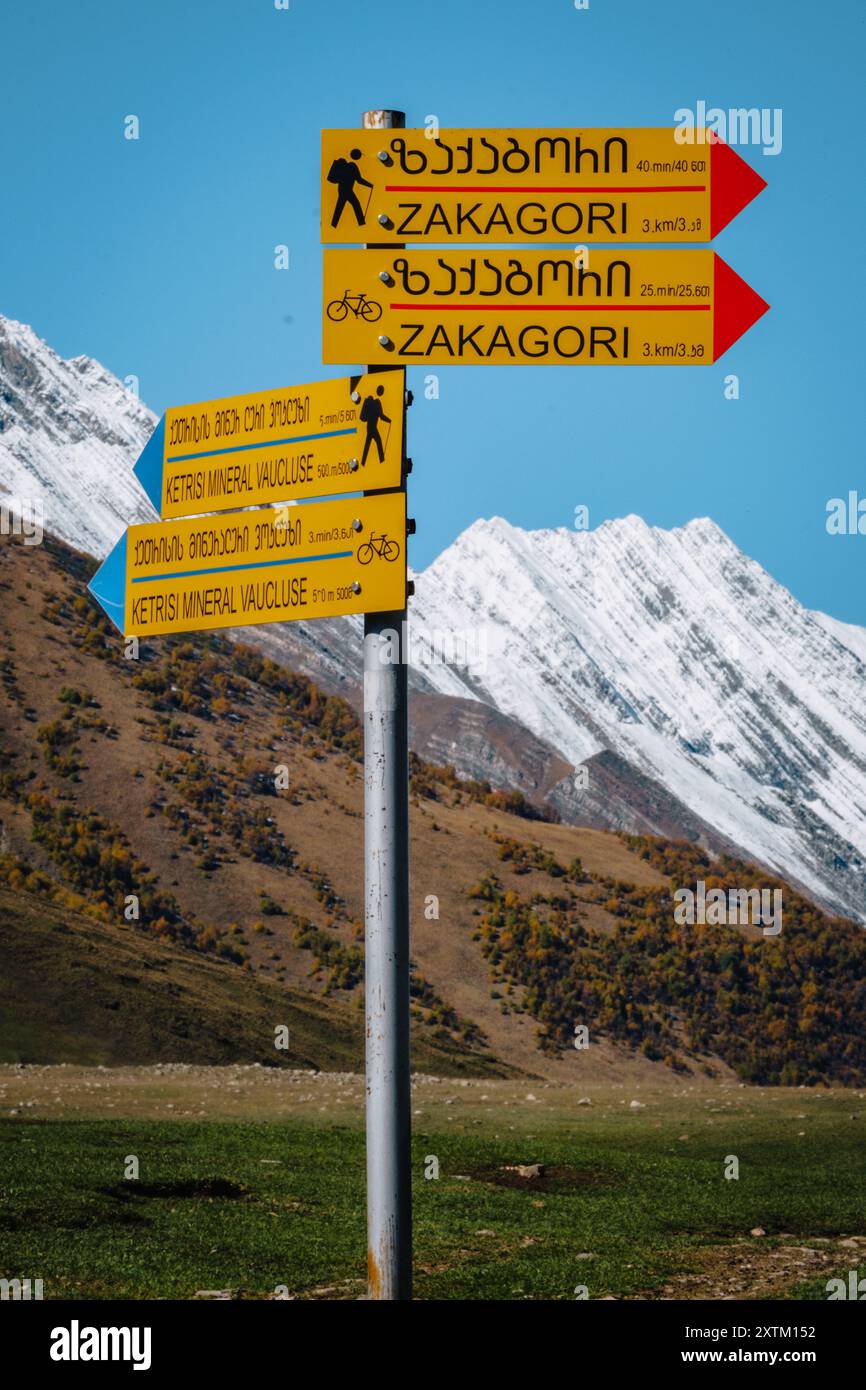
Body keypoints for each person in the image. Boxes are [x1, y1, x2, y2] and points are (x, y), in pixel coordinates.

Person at [328, 148, 373, 229]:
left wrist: (369, 185)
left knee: (340, 206)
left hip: (341, 189)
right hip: (347, 190)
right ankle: (361, 223)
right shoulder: (352, 166)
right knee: (355, 204)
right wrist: (369, 185)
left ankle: (333, 225)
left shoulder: (346, 166)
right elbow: (359, 180)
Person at [360, 385, 390, 465]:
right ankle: (382, 461)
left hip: (369, 427)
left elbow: (380, 416)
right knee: (378, 443)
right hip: (373, 428)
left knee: (368, 445)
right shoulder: (377, 403)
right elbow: (381, 416)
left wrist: (388, 420)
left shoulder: (372, 403)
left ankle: (363, 462)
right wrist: (389, 420)